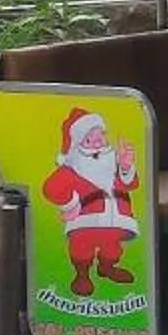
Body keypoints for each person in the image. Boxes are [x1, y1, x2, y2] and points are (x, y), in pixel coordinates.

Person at [40, 107, 139, 296]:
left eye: (100, 136)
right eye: (88, 139)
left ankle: (107, 268)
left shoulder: (113, 162)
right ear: (77, 145)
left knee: (113, 249)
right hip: (85, 223)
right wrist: (71, 204)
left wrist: (126, 167)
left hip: (116, 221)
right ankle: (82, 276)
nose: (96, 142)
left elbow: (132, 184)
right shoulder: (73, 168)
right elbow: (50, 189)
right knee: (81, 250)